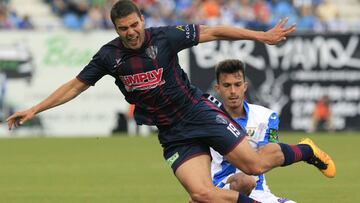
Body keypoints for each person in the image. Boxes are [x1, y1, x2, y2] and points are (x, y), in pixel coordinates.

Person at [7, 1, 335, 202]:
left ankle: (307, 150)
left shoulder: (165, 37)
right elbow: (75, 86)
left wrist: (261, 36)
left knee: (255, 165)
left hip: (200, 113)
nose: (132, 32)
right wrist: (35, 108)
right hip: (172, 133)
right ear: (116, 29)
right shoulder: (109, 56)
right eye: (124, 29)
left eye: (135, 25)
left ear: (142, 20)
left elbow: (216, 31)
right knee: (202, 194)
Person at [211, 59, 295, 202]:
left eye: (237, 85)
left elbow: (269, 157)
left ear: (245, 86)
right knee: (245, 181)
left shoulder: (267, 117)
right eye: (227, 85)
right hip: (220, 189)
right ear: (217, 88)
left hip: (259, 191)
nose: (233, 91)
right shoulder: (206, 120)